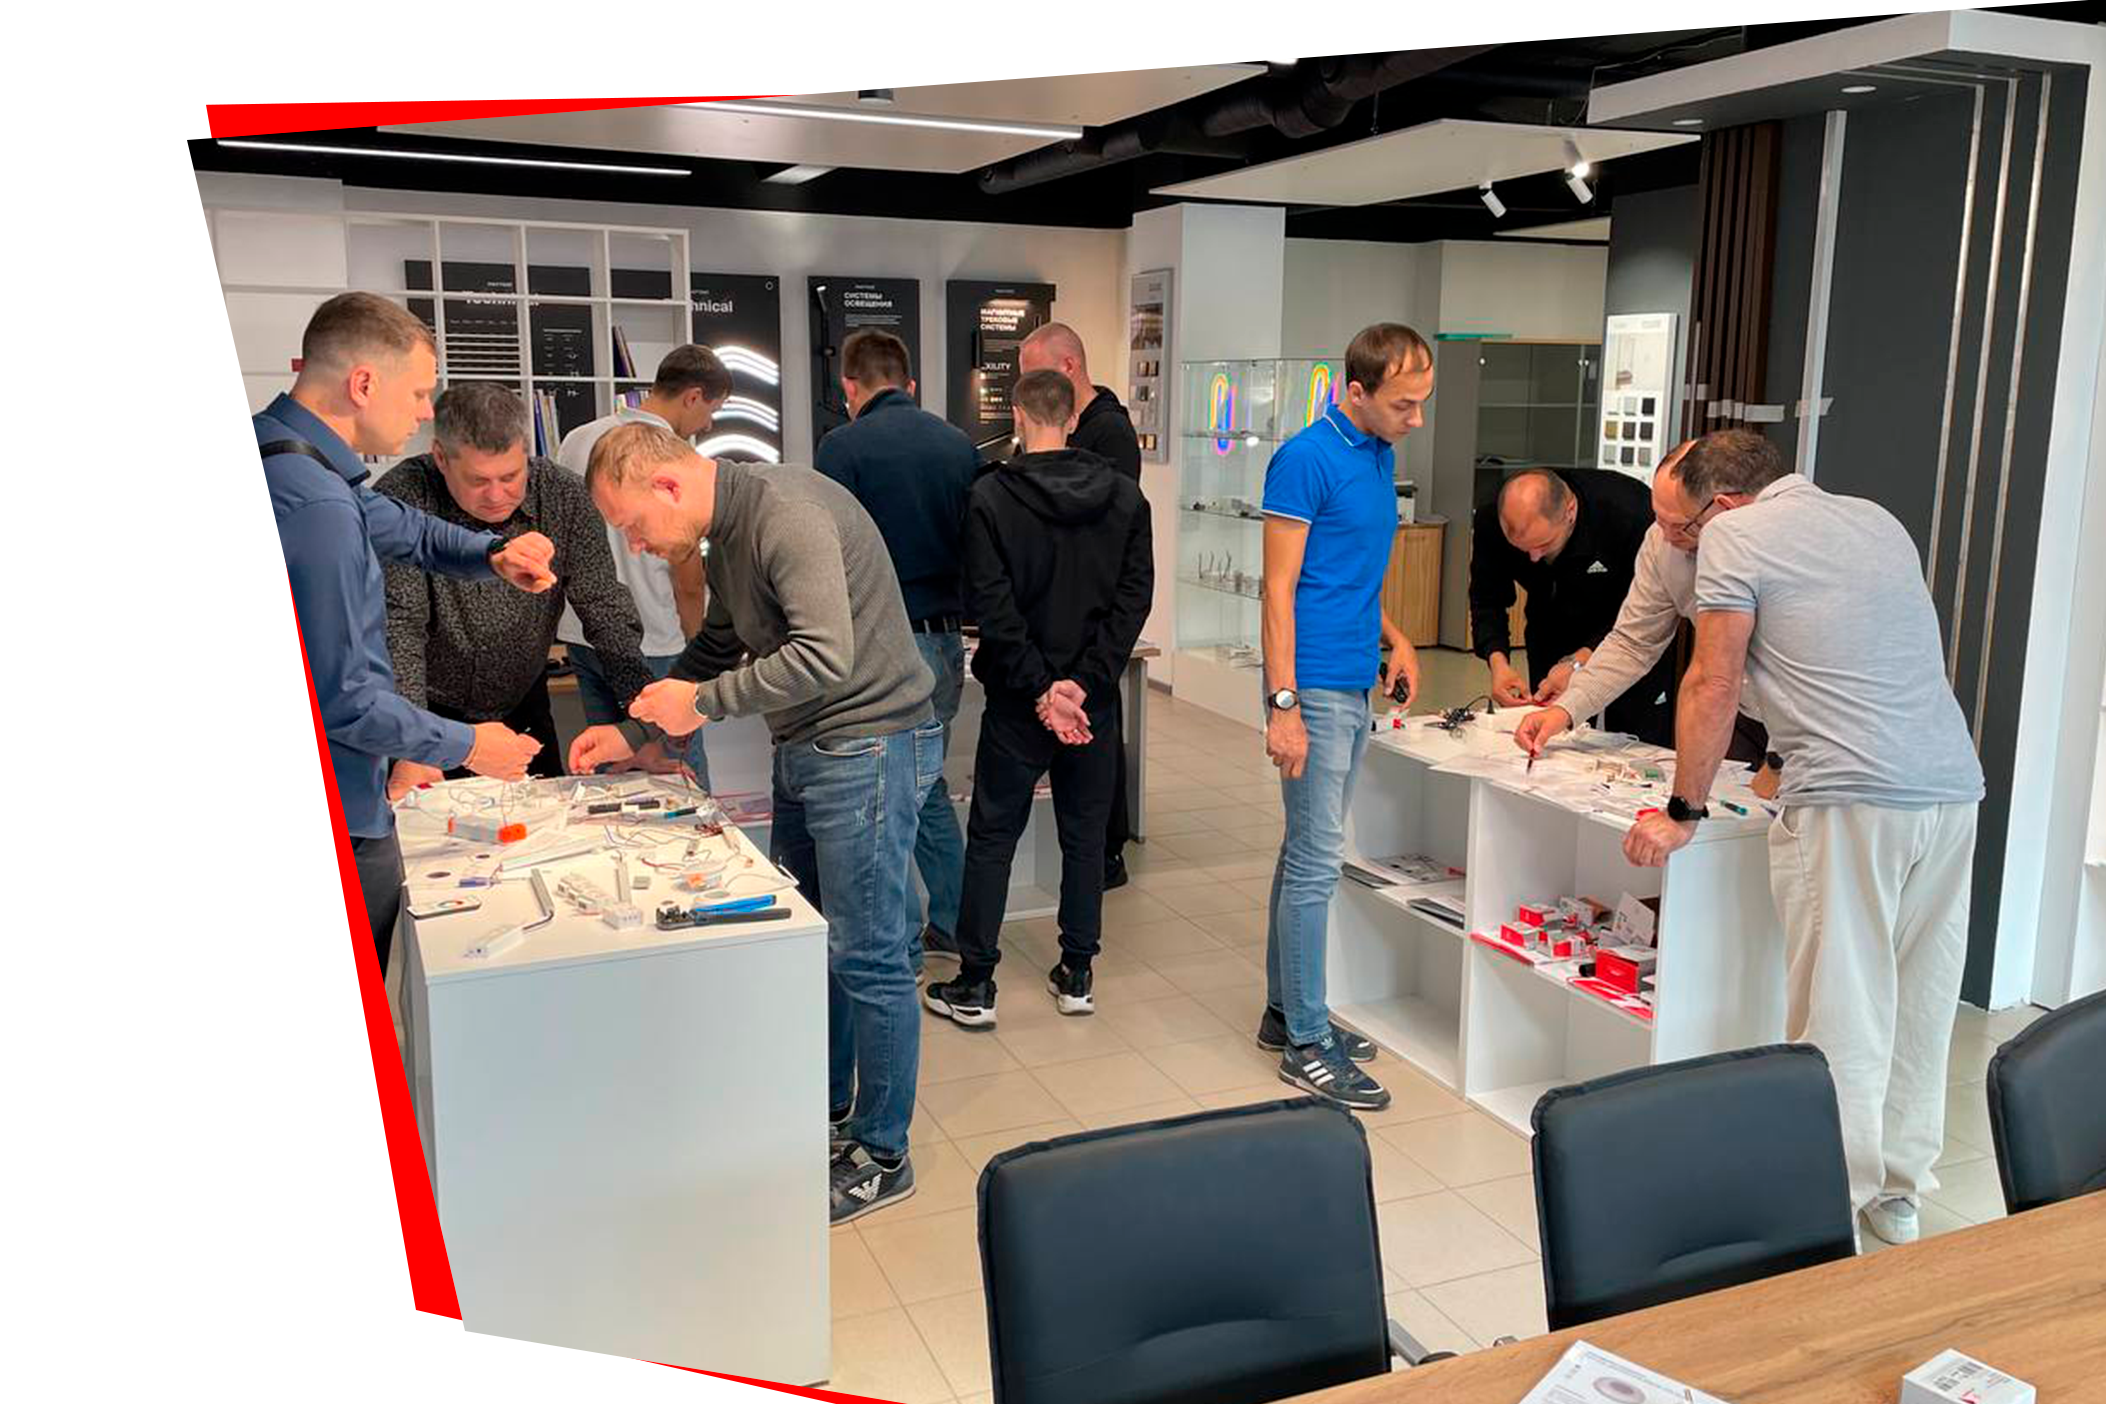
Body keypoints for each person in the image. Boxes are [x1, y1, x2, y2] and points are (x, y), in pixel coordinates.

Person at [1619, 429, 1984, 1250]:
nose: (1681, 543)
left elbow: (1713, 680)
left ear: (1724, 503)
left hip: (1852, 801)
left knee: (1842, 1004)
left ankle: (1830, 1204)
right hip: (1949, 787)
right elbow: (1851, 661)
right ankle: (1898, 1190)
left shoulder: (1738, 537)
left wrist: (1681, 811)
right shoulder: (1875, 519)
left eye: (1686, 527)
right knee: (1919, 995)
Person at [572, 423, 943, 1226]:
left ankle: (883, 1155)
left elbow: (823, 656)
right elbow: (720, 641)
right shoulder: (729, 530)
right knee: (819, 944)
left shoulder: (785, 515)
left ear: (669, 485)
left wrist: (702, 704)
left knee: (871, 956)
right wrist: (637, 730)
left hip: (867, 745)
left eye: (633, 525)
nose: (635, 545)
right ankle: (832, 1114)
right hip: (812, 749)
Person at [258, 293, 556, 974]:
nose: (426, 412)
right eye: (420, 392)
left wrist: (492, 553)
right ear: (363, 384)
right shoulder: (317, 506)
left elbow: (399, 526)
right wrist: (471, 745)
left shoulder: (286, 456)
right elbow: (347, 701)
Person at [921, 370, 1154, 1029]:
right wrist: (1084, 684)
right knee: (1083, 836)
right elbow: (1133, 600)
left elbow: (991, 606)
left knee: (994, 835)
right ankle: (1077, 972)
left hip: (1018, 702)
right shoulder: (1125, 497)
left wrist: (1042, 689)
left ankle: (976, 981)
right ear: (1073, 419)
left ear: (1019, 418)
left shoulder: (990, 497)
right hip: (1090, 704)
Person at [1259, 323, 1429, 1112]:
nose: (1415, 419)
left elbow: (1347, 573)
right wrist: (1283, 705)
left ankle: (1283, 1011)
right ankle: (1305, 1040)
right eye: (1403, 404)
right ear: (1355, 392)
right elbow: (1279, 589)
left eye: (1422, 403)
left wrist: (1396, 639)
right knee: (1317, 861)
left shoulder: (1378, 452)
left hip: (1355, 675)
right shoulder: (1306, 458)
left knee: (1306, 850)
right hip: (1314, 685)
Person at [378, 382, 661, 791]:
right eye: (478, 480)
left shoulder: (564, 496)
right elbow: (400, 627)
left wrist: (642, 726)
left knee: (543, 823)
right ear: (440, 457)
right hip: (426, 714)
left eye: (511, 476)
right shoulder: (402, 497)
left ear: (526, 452)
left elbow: (604, 608)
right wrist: (414, 745)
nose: (497, 495)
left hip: (522, 706)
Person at [815, 329, 975, 972]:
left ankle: (902, 941)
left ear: (848, 387)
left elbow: (825, 552)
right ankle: (957, 922)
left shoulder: (842, 447)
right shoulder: (958, 445)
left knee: (881, 796)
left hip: (876, 646)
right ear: (909, 384)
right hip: (945, 639)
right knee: (926, 785)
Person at [1511, 443, 1776, 774]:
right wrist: (1565, 710)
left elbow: (1816, 676)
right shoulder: (1661, 542)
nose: (1665, 537)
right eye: (1658, 519)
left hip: (1812, 723)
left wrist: (1779, 762)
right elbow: (1633, 643)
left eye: (1679, 525)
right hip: (1743, 710)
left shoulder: (1789, 548)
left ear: (1725, 509)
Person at [555, 346, 730, 783]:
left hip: (582, 632)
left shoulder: (577, 439)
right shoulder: (670, 457)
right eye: (711, 410)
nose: (708, 424)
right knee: (680, 777)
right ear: (692, 396)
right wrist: (695, 649)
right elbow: (688, 576)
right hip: (655, 638)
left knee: (611, 768)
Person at [1017, 321, 1144, 890]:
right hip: (1059, 619)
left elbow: (1109, 541)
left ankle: (1105, 852)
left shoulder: (1109, 433)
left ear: (1067, 369)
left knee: (1095, 743)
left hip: (1092, 621)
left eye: (1035, 376)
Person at [1469, 465, 1675, 746]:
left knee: (1637, 739)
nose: (1533, 558)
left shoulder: (1629, 513)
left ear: (1570, 511)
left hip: (1628, 635)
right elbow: (1486, 598)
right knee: (1553, 733)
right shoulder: (1492, 519)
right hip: (1550, 622)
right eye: (1521, 548)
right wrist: (1499, 663)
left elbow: (1642, 614)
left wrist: (1580, 662)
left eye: (1543, 544)